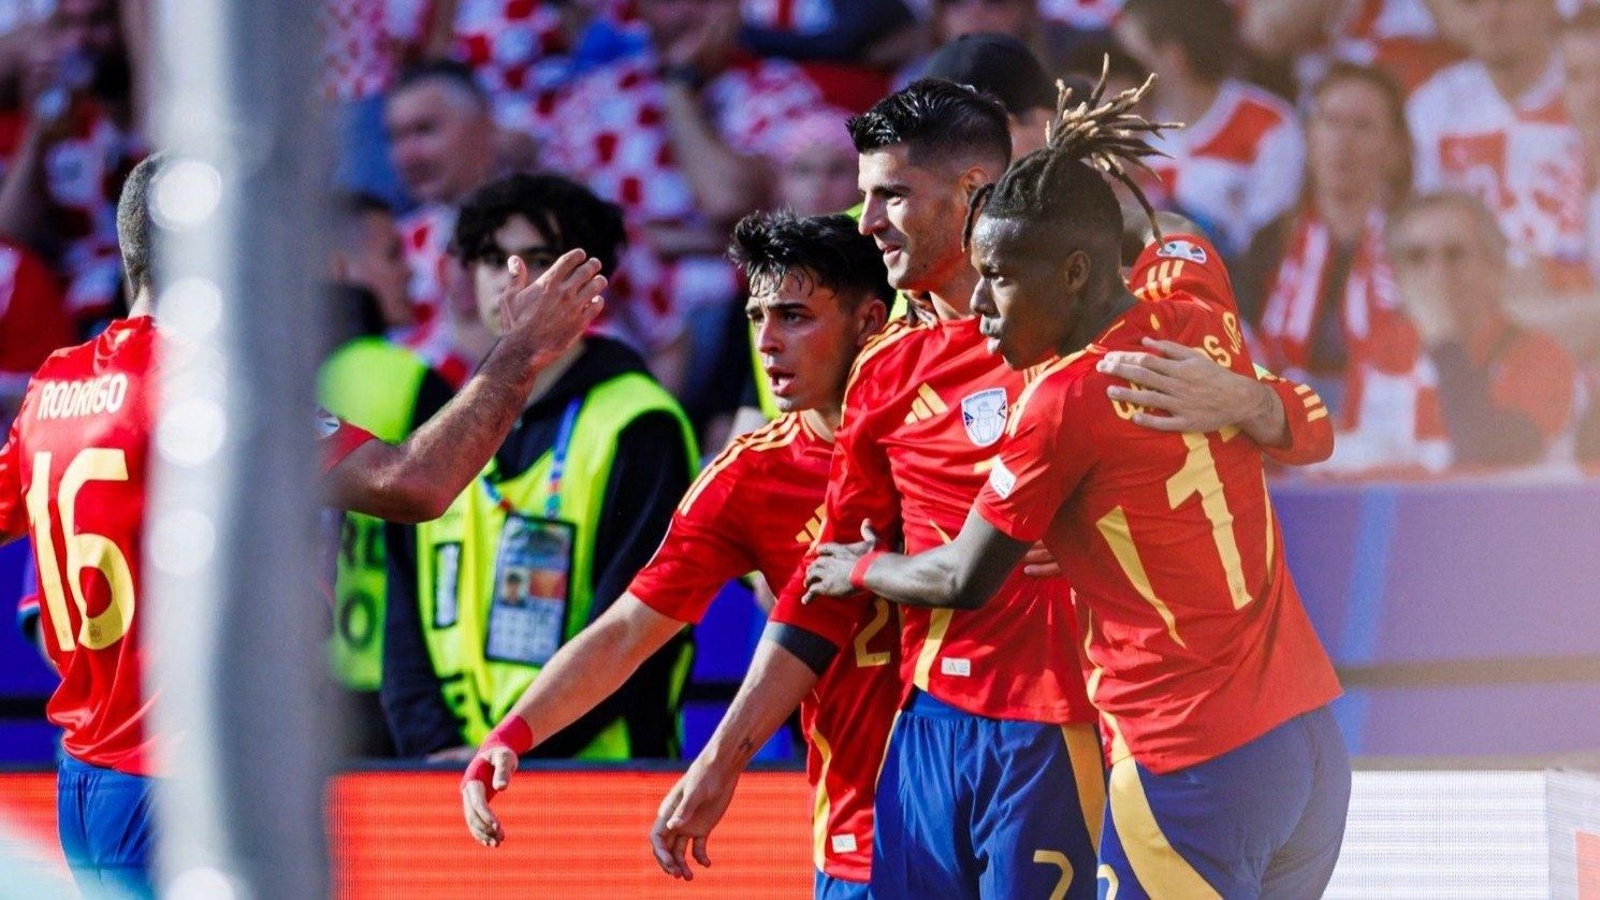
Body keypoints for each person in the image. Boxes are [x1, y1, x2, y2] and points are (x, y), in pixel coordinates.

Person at [650, 79, 1332, 899]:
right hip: (932, 728)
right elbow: (823, 585)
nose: (865, 223)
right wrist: (723, 757)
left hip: (1080, 733)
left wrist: (1252, 399)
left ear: (975, 194)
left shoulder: (1071, 358)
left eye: (890, 195)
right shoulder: (888, 372)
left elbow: (960, 569)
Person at [0, 149, 608, 895]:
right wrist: (523, 351)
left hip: (86, 777)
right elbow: (415, 484)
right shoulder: (208, 387)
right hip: (191, 788)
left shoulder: (54, 385)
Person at [460, 212, 899, 899]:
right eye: (757, 318)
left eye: (795, 317)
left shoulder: (950, 436)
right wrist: (511, 733)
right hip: (861, 826)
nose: (768, 344)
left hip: (1002, 784)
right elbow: (628, 630)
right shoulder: (747, 478)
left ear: (870, 321)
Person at [382, 172, 697, 763]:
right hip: (446, 776)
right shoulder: (441, 424)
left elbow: (635, 634)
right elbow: (402, 629)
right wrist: (440, 752)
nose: (513, 279)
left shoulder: (638, 422)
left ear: (589, 284)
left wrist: (514, 751)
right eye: (493, 259)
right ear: (465, 278)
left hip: (596, 780)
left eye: (539, 259)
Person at [536, 0, 824, 405]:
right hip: (616, 302)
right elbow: (564, 224)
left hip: (735, 311)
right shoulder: (593, 98)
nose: (687, 12)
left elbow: (727, 200)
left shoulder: (777, 87)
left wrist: (678, 86)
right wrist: (692, 239)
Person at [1332, 191, 1579, 471]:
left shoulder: (1540, 359)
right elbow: (1344, 467)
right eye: (1416, 257)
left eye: (1455, 255)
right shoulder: (1378, 353)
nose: (1437, 273)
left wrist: (1443, 343)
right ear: (1399, 278)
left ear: (1495, 270)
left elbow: (1486, 454)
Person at [1242, 63, 1412, 413]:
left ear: (1395, 146)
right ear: (1308, 135)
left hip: (1387, 421)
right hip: (1281, 420)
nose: (1342, 140)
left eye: (1362, 126)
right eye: (1330, 122)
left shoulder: (1420, 243)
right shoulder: (1271, 241)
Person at [1405, 0, 1589, 290]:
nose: (1491, 16)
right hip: (1474, 298)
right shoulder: (1433, 105)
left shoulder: (1586, 85)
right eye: (1473, 3)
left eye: (1507, 2)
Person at [1114, 0, 1305, 260]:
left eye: (1130, 57)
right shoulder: (1128, 127)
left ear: (1173, 57)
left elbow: (1270, 242)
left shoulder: (1268, 124)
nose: (1116, 69)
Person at [382, 60, 501, 368]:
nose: (408, 155)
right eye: (395, 137)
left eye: (425, 130)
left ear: (483, 128)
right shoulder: (394, 249)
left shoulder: (562, 227)